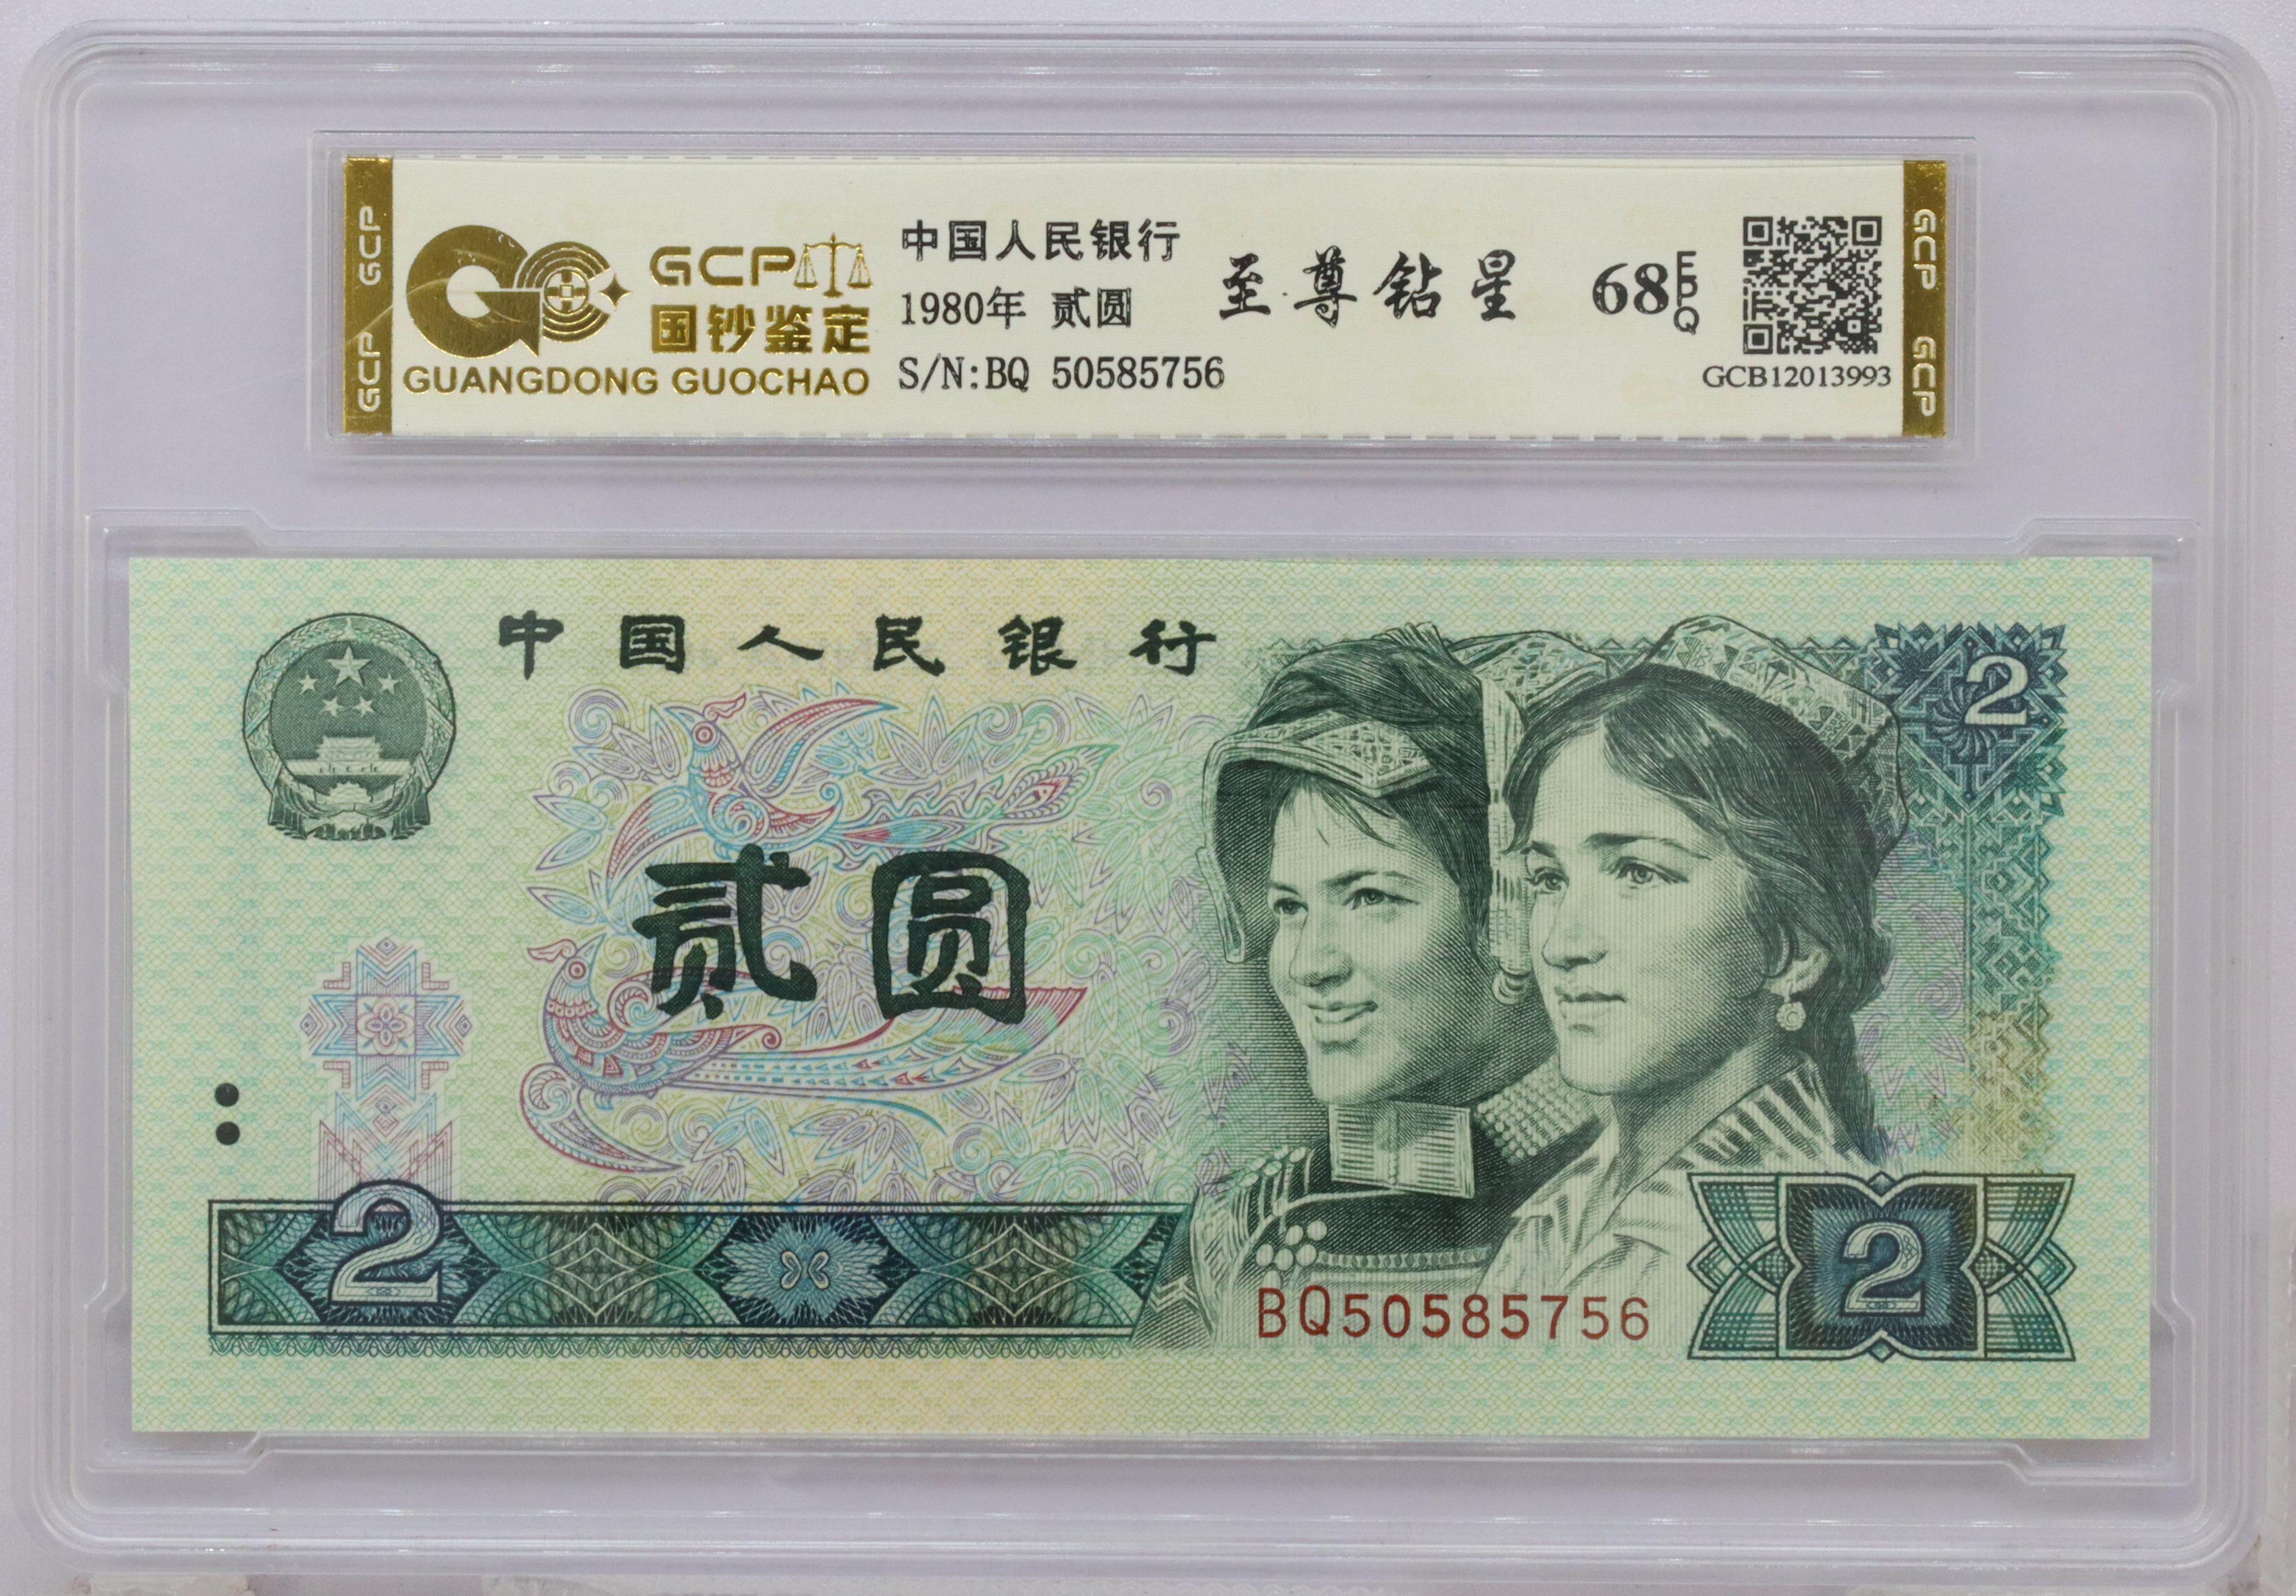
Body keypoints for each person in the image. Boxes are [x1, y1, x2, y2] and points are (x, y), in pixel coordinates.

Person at [1134, 626, 1605, 1347]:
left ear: (1511, 911)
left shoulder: (1644, 1201)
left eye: (1369, 898)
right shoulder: (1238, 1230)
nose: (1308, 964)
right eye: (1290, 908)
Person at [1478, 615, 1906, 1351]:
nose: (1561, 943)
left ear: (1794, 945)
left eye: (1637, 872)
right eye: (1548, 878)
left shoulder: (1822, 1253)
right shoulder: (1556, 1214)